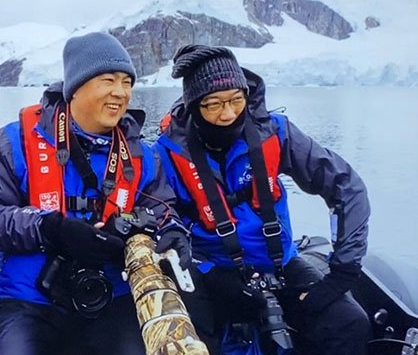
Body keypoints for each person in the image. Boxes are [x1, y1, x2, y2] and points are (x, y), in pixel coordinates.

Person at [0, 32, 191, 355]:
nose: (121, 92)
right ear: (75, 87)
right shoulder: (14, 142)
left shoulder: (144, 155)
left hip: (113, 296)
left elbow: (163, 209)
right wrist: (48, 228)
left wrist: (173, 233)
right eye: (108, 80)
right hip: (30, 300)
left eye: (127, 82)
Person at [153, 45, 371, 355]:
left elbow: (346, 186)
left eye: (236, 100)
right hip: (212, 273)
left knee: (349, 322)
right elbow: (162, 218)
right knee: (196, 342)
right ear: (193, 105)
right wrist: (210, 276)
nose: (228, 114)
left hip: (281, 263)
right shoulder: (166, 153)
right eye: (213, 104)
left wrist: (342, 273)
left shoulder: (275, 132)